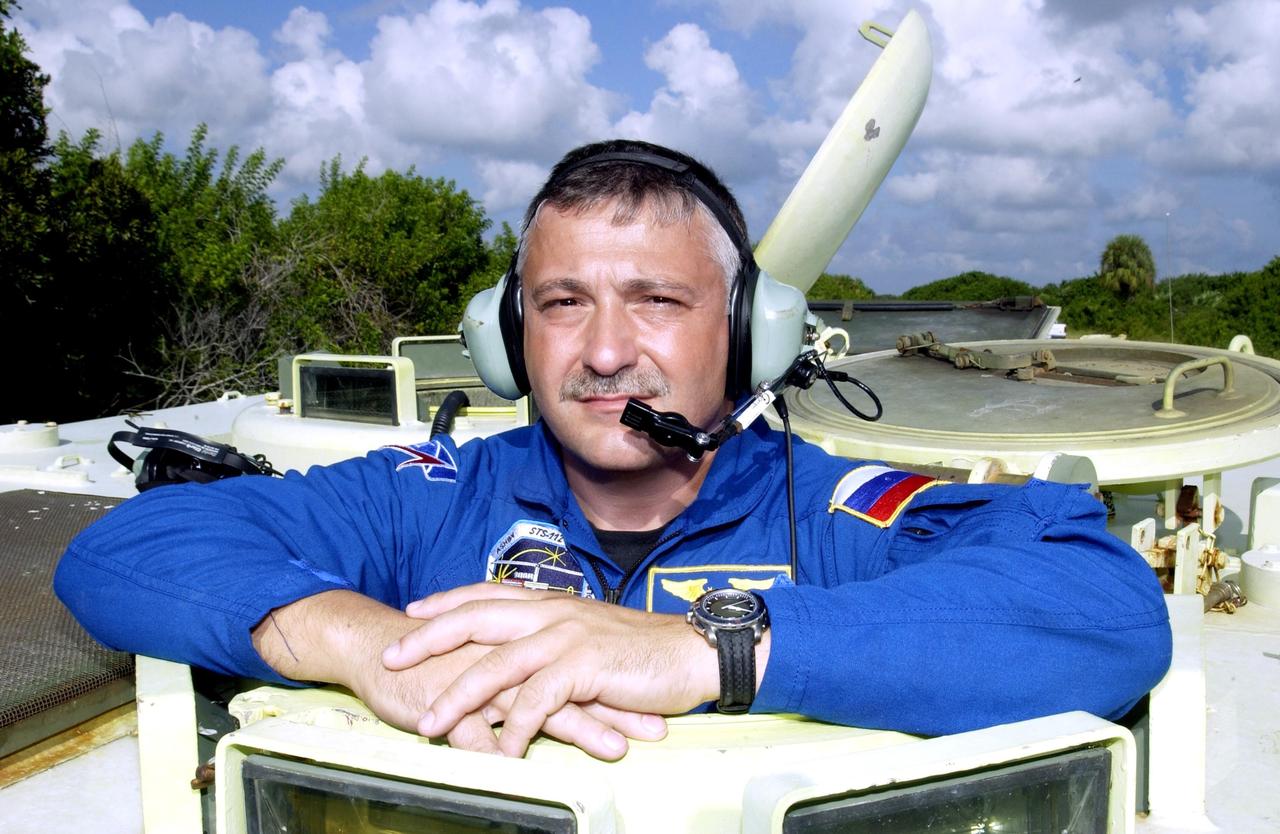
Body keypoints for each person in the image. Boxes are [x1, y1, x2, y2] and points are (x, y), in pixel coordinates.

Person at [55, 139, 1172, 762]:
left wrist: (697, 650)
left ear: (746, 334)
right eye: (558, 303)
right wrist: (358, 643)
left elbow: (1099, 603)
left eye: (654, 300)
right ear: (506, 338)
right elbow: (128, 552)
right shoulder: (428, 497)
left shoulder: (830, 511)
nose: (600, 352)